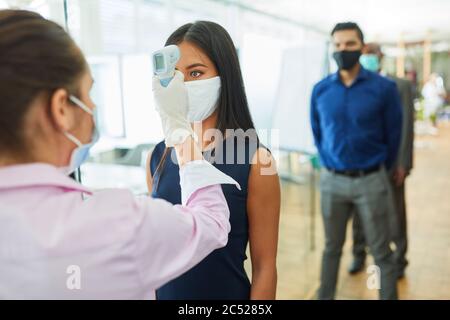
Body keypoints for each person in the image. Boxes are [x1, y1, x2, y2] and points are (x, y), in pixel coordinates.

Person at [0, 9, 239, 299]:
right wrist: (178, 129)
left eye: (195, 73)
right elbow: (212, 222)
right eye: (88, 92)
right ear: (61, 108)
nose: (93, 107)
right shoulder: (117, 221)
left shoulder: (250, 158)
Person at [146, 21, 281, 300]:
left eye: (195, 73)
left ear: (224, 76)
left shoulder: (257, 161)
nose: (181, 84)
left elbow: (265, 266)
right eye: (174, 74)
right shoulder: (158, 156)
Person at [310, 22, 402, 300]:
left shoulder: (383, 88)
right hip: (332, 181)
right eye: (337, 45)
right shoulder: (320, 90)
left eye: (349, 44)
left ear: (361, 47)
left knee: (381, 252)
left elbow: (394, 134)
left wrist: (380, 171)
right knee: (331, 249)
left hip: (371, 180)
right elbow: (317, 132)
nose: (343, 50)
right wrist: (328, 163)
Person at [351, 43, 415, 279]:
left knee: (395, 214)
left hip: (390, 165)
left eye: (372, 55)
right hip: (362, 165)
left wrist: (403, 163)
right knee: (358, 214)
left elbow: (407, 127)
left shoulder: (400, 86)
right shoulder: (354, 86)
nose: (368, 59)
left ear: (380, 58)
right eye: (364, 55)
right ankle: (358, 254)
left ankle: (399, 259)